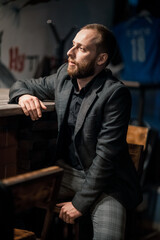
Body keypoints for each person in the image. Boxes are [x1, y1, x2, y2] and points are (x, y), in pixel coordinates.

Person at [9, 23, 142, 240]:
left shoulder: (115, 94)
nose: (70, 53)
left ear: (101, 59)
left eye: (81, 48)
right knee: (11, 202)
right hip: (67, 172)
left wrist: (79, 204)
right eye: (73, 45)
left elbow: (106, 157)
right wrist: (23, 96)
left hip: (107, 181)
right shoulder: (65, 76)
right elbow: (22, 84)